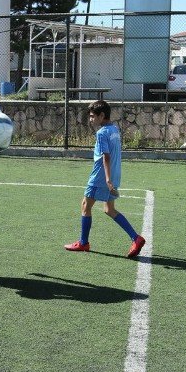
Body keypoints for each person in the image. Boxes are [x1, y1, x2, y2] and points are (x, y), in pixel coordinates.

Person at [63, 100, 145, 258]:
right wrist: (111, 178)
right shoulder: (114, 129)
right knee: (109, 209)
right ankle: (136, 238)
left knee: (85, 205)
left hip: (101, 176)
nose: (91, 119)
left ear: (102, 115)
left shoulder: (101, 133)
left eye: (93, 116)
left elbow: (105, 156)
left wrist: (107, 180)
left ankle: (83, 243)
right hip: (114, 174)